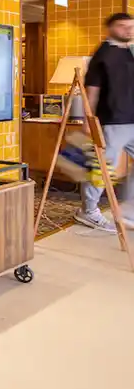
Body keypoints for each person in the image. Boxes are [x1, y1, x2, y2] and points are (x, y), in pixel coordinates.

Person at [78, 12, 134, 233]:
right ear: (110, 28)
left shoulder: (130, 52)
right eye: (122, 26)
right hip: (112, 120)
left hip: (133, 120)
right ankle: (88, 210)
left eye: (131, 26)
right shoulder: (102, 55)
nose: (128, 30)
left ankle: (129, 210)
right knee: (102, 168)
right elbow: (91, 91)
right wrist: (88, 119)